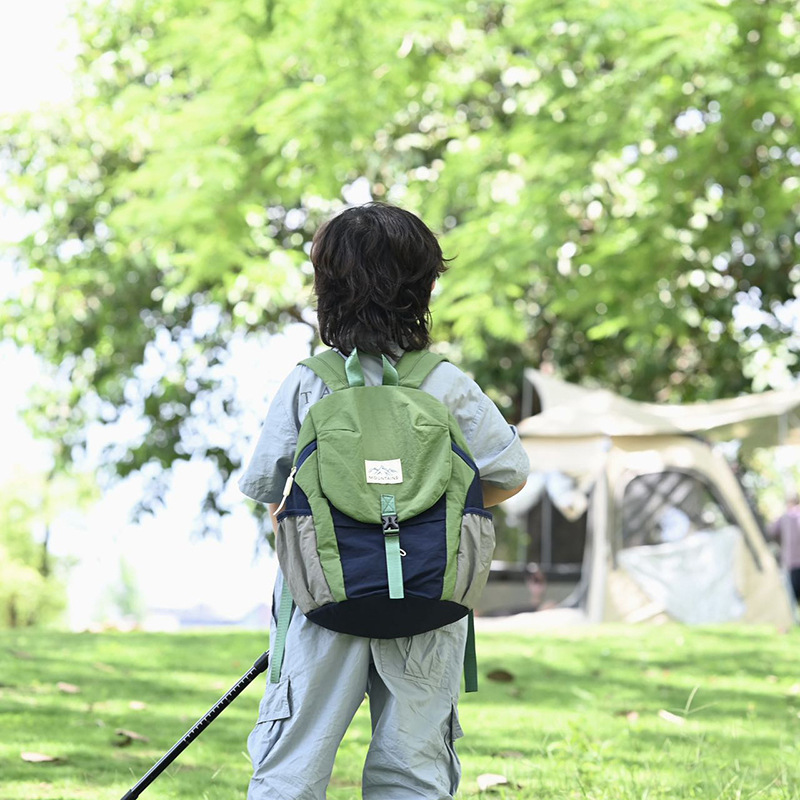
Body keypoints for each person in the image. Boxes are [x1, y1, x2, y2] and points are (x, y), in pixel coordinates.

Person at [238, 202, 530, 800]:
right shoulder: (445, 383)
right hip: (427, 597)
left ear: (326, 291)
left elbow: (271, 491)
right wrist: (432, 512)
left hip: (323, 603)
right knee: (414, 766)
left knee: (293, 761)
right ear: (424, 289)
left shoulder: (309, 381)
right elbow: (509, 473)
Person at [770, 494, 800, 603]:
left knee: (795, 594)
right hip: (793, 561)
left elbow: (772, 530)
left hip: (792, 562)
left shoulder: (784, 517)